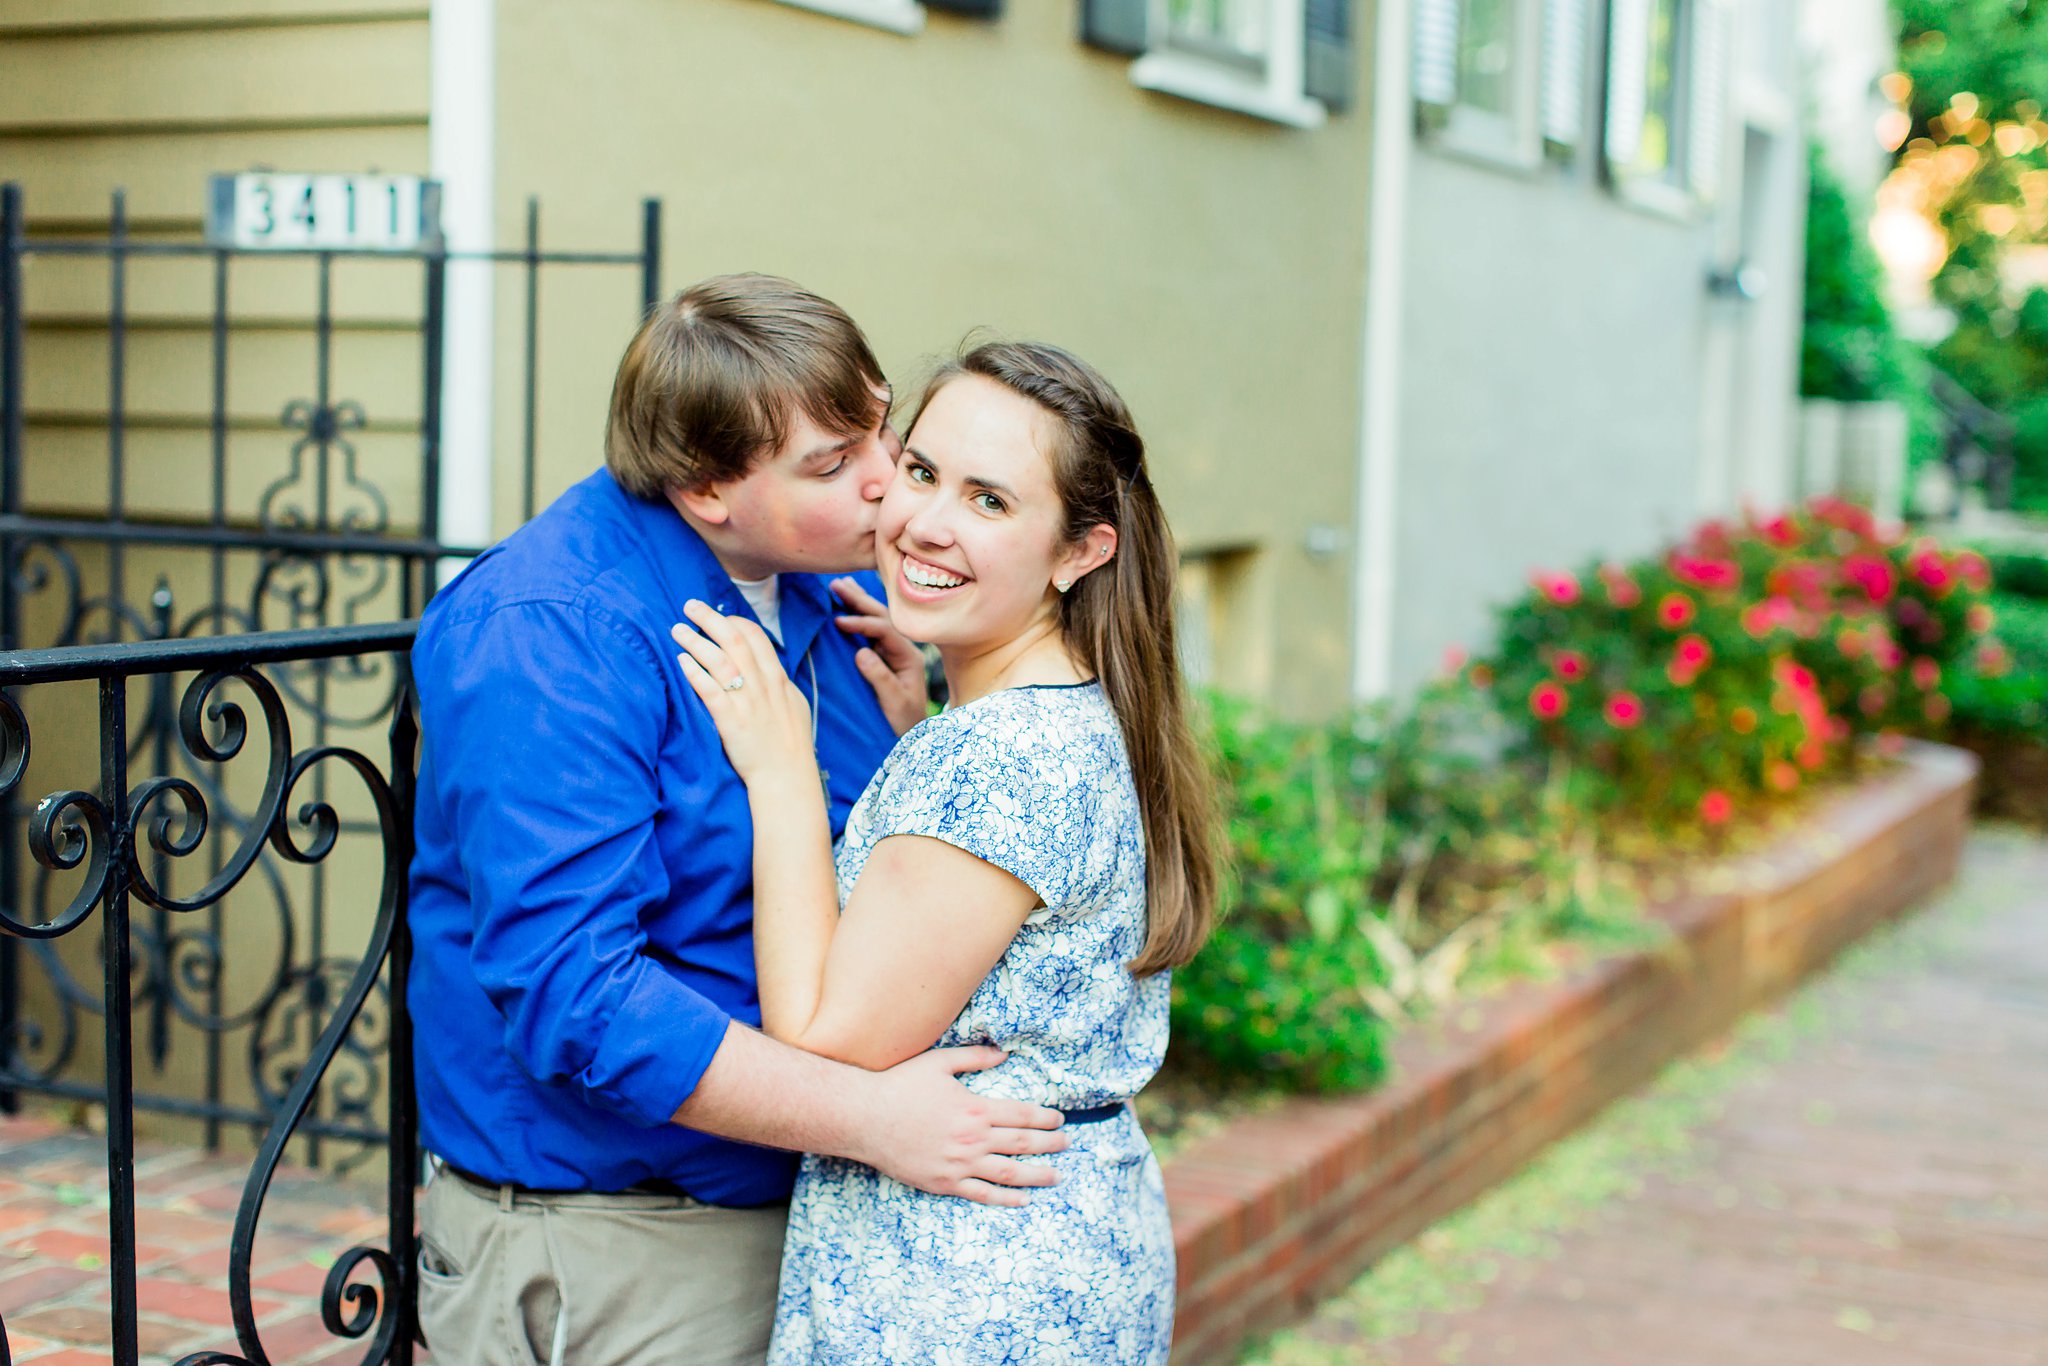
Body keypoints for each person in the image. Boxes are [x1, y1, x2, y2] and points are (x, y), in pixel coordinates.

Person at [406, 278, 1070, 1366]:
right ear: (709, 486)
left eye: (879, 426)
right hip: (626, 1241)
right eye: (831, 464)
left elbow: (888, 888)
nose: (885, 486)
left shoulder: (824, 593)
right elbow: (580, 1001)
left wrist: (923, 731)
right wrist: (872, 1121)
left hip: (819, 1217)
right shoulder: (548, 635)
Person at [672, 339, 1221, 1363]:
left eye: (989, 500)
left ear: (1079, 551)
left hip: (958, 1284)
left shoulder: (998, 759)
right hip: (1056, 1243)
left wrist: (784, 771)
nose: (923, 522)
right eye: (920, 473)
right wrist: (918, 727)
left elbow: (826, 1040)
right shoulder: (1070, 710)